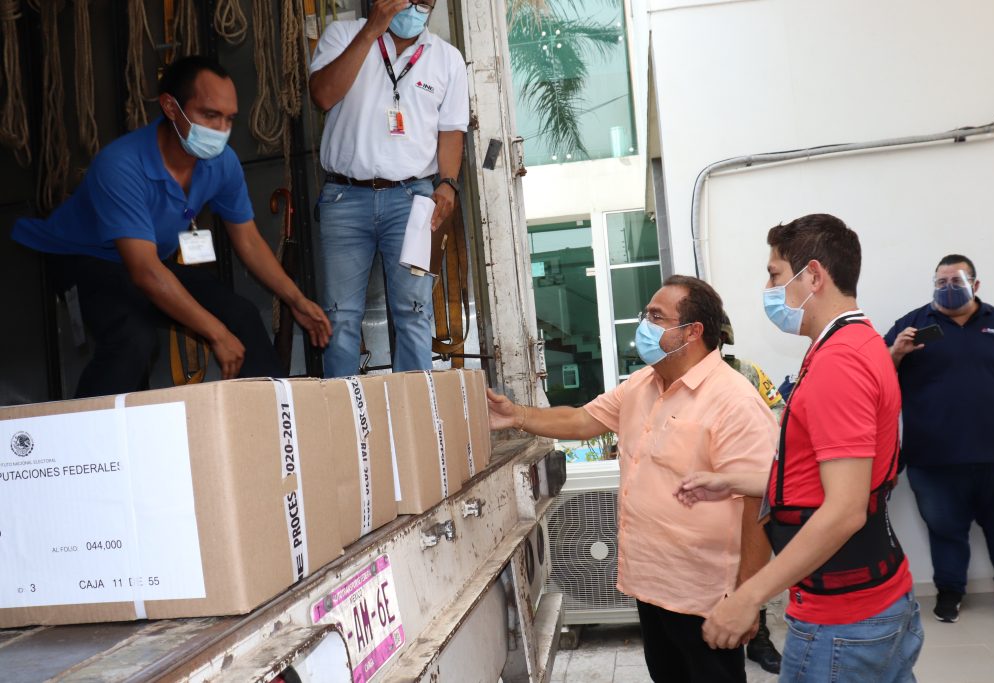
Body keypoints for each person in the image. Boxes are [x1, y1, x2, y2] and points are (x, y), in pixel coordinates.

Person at [489, 276, 777, 682]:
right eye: (646, 314)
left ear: (693, 331)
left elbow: (760, 503)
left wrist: (748, 598)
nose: (643, 324)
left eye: (657, 317)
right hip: (650, 585)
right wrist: (517, 416)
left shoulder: (735, 401)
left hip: (706, 597)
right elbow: (581, 418)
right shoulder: (644, 383)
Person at [679, 214, 923, 682]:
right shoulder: (856, 343)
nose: (770, 288)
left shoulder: (840, 363)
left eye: (774, 274)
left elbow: (845, 510)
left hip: (844, 623)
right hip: (873, 602)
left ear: (813, 275)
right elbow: (824, 478)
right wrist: (734, 480)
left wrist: (747, 598)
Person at [10, 56, 330, 398]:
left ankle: (278, 424)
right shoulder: (120, 165)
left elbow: (248, 241)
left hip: (145, 262)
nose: (220, 129)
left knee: (241, 314)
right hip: (82, 259)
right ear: (171, 107)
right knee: (133, 339)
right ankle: (87, 444)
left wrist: (295, 298)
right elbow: (146, 273)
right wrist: (216, 334)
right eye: (209, 115)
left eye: (228, 119)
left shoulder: (222, 163)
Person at [308, 0, 469, 377]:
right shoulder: (343, 35)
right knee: (340, 315)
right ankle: (346, 420)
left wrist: (447, 184)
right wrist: (370, 32)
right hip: (344, 198)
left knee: (414, 312)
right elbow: (322, 95)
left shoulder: (447, 59)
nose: (414, 8)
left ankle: (416, 420)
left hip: (414, 200)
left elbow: (452, 131)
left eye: (424, 3)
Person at [884, 254, 994, 624]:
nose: (947, 290)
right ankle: (949, 592)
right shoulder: (913, 325)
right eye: (940, 283)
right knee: (945, 529)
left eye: (956, 283)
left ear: (975, 286)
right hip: (934, 457)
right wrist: (896, 353)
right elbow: (878, 376)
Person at [719, 315, 784, 674]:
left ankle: (758, 638)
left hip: (745, 486)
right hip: (704, 495)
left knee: (753, 563)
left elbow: (779, 413)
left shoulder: (746, 373)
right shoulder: (676, 378)